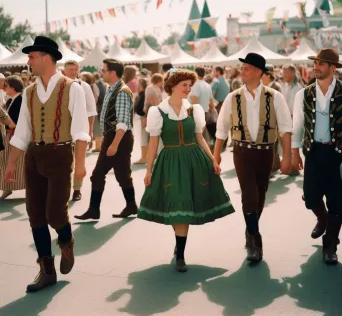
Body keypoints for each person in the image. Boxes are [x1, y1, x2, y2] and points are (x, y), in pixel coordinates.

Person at [5, 36, 89, 292]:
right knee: (35, 214)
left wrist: (82, 164)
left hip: (60, 155)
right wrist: (11, 164)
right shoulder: (29, 92)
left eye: (32, 56)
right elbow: (22, 132)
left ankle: (66, 240)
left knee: (55, 212)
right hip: (34, 156)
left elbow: (80, 129)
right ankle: (46, 270)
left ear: (46, 58)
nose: (28, 61)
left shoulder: (72, 88)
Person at [137, 68, 235, 273]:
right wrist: (149, 170)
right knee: (177, 207)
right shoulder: (158, 111)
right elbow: (153, 143)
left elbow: (200, 138)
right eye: (184, 85)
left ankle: (180, 253)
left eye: (190, 85)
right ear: (172, 86)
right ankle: (179, 244)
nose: (188, 89)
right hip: (170, 162)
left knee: (184, 209)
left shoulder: (194, 110)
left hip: (194, 161)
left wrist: (213, 160)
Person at [214, 53, 292, 264]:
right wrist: (216, 156)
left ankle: (250, 230)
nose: (243, 71)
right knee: (249, 194)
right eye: (243, 67)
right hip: (242, 151)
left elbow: (285, 128)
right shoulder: (233, 97)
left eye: (247, 68)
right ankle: (255, 241)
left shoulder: (275, 96)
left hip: (267, 151)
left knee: (261, 194)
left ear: (259, 72)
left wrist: (287, 157)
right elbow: (221, 129)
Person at [292, 49, 342, 265]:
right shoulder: (303, 93)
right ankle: (322, 219)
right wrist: (294, 153)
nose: (316, 66)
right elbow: (297, 126)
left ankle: (330, 245)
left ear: (332, 68)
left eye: (321, 63)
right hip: (313, 152)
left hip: (338, 153)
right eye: (316, 63)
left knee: (338, 202)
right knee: (311, 197)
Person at [75, 59, 137, 220]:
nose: (101, 73)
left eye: (103, 70)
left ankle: (94, 210)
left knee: (98, 175)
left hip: (118, 138)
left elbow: (123, 122)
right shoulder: (112, 89)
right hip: (114, 137)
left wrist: (114, 144)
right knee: (122, 174)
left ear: (113, 73)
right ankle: (131, 205)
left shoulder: (122, 91)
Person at [64, 60, 97, 201]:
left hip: (80, 129)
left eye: (75, 69)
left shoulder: (84, 87)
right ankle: (63, 189)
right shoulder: (60, 85)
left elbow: (91, 111)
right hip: (63, 130)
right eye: (71, 69)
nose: (73, 71)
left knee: (80, 160)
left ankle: (77, 189)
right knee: (64, 162)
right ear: (64, 70)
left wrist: (89, 131)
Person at [0, 76, 25, 199]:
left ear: (13, 87)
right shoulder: (10, 100)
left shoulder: (21, 99)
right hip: (10, 136)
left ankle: (26, 188)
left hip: (18, 136)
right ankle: (7, 187)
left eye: (6, 86)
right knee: (6, 163)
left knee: (21, 165)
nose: (4, 88)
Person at [134, 78, 148, 164]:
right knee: (146, 138)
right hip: (145, 117)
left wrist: (143, 115)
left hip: (144, 118)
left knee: (144, 138)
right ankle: (145, 157)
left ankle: (144, 157)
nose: (137, 86)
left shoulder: (143, 95)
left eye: (138, 85)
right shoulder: (144, 94)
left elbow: (140, 108)